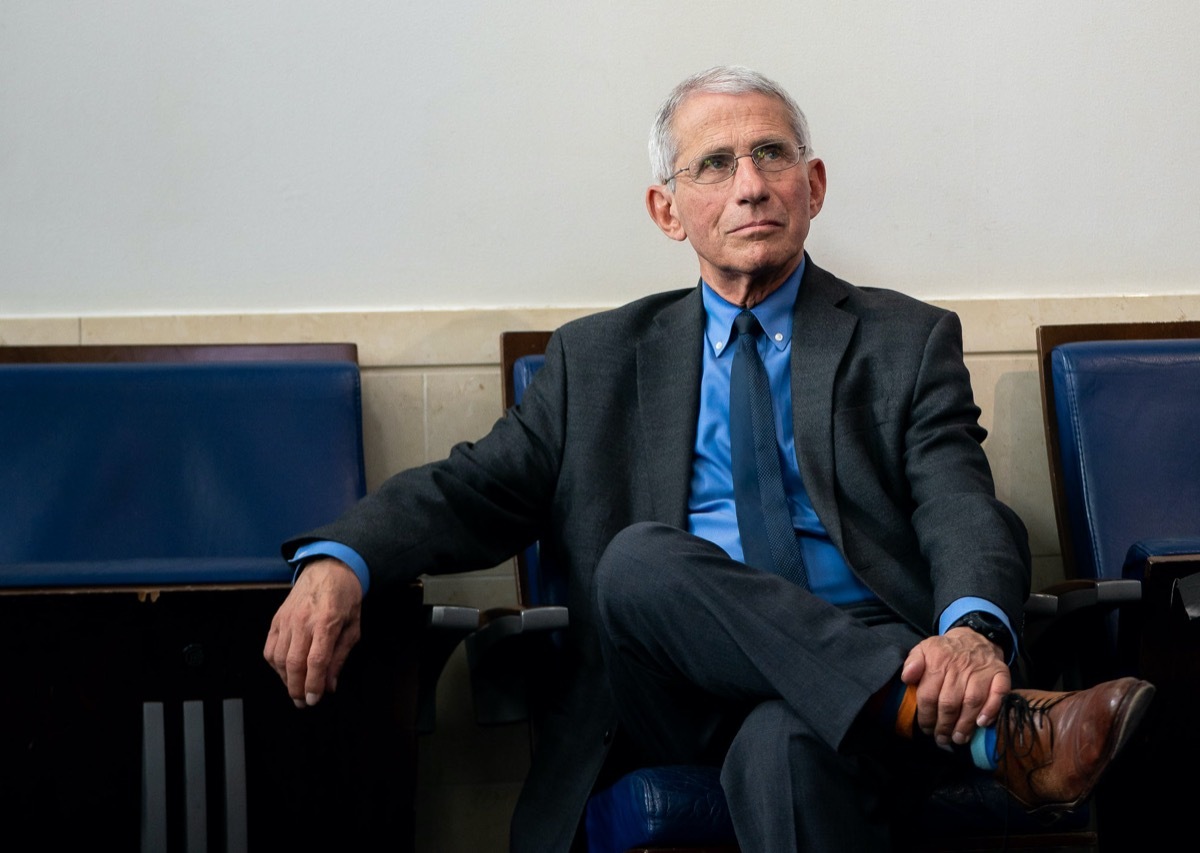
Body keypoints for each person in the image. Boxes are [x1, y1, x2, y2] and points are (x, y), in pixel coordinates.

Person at [264, 65, 1154, 851]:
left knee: (784, 743)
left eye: (772, 157)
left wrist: (973, 631)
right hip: (671, 695)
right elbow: (470, 490)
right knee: (638, 558)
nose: (751, 186)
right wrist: (344, 558)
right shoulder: (597, 361)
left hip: (869, 663)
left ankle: (904, 702)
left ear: (814, 184)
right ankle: (983, 732)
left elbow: (960, 502)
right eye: (714, 166)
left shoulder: (903, 341)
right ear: (667, 209)